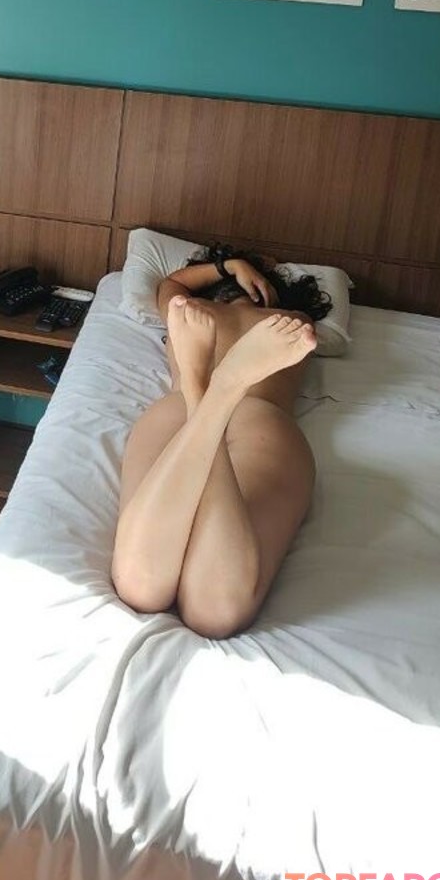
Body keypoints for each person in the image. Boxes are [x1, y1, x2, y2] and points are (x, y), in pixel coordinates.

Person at [111, 244, 331, 638]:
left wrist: (228, 267)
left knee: (139, 588)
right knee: (212, 613)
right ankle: (225, 387)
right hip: (261, 415)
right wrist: (244, 269)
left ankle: (203, 391)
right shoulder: (290, 323)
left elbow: (172, 282)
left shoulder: (189, 310)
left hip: (178, 411)